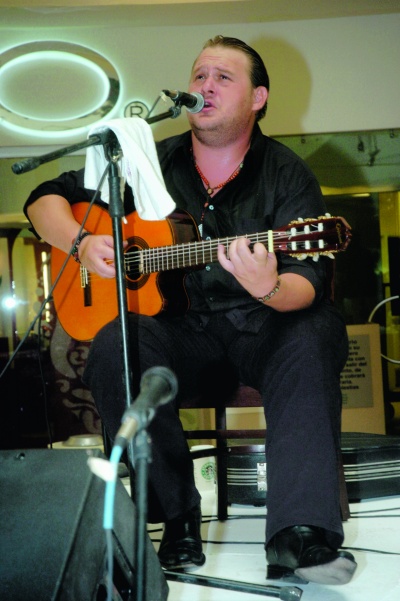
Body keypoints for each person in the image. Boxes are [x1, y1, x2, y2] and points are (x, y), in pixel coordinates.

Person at [24, 35, 357, 586]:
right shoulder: (145, 161)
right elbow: (43, 199)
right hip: (179, 336)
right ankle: (175, 518)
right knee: (117, 342)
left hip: (264, 329)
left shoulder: (287, 173)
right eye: (200, 75)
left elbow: (308, 283)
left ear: (258, 98)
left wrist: (269, 286)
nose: (206, 85)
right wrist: (81, 244)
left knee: (316, 329)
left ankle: (299, 534)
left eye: (224, 77)